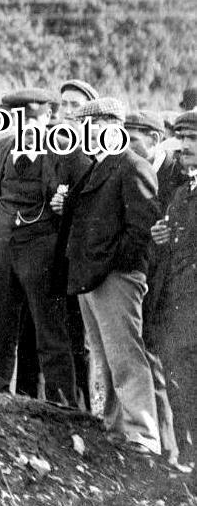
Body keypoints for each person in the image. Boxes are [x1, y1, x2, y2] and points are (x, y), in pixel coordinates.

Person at [0, 88, 87, 405]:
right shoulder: (2, 146)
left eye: (34, 119)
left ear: (48, 118)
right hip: (2, 243)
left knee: (49, 330)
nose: (26, 127)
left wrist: (65, 202)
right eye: (19, 120)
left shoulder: (67, 151)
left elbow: (88, 196)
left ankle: (62, 405)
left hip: (43, 247)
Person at [59, 99, 162, 455]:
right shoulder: (99, 165)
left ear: (107, 126)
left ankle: (143, 436)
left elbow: (141, 229)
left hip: (114, 278)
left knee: (125, 357)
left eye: (84, 126)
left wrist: (110, 267)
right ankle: (117, 429)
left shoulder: (131, 165)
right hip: (94, 277)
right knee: (106, 357)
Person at [151, 110, 197, 461]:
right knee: (180, 386)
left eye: (193, 140)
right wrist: (163, 237)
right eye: (182, 139)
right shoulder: (182, 193)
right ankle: (187, 461)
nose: (184, 147)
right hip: (178, 308)